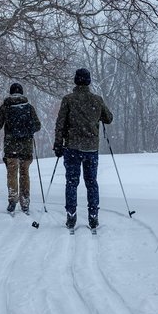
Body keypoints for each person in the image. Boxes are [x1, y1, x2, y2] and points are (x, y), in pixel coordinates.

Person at [53, 68, 113, 230]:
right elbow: (109, 118)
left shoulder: (68, 100)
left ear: (75, 81)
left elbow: (60, 124)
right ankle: (93, 216)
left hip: (72, 147)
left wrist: (58, 143)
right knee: (91, 182)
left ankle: (71, 215)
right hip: (91, 148)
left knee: (72, 182)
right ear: (89, 81)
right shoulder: (97, 100)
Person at [0, 82, 41, 214]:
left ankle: (12, 200)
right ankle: (25, 201)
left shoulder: (5, 107)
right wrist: (28, 129)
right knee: (25, 174)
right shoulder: (29, 108)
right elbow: (37, 126)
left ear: (10, 92)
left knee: (12, 174)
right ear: (22, 93)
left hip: (11, 146)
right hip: (26, 147)